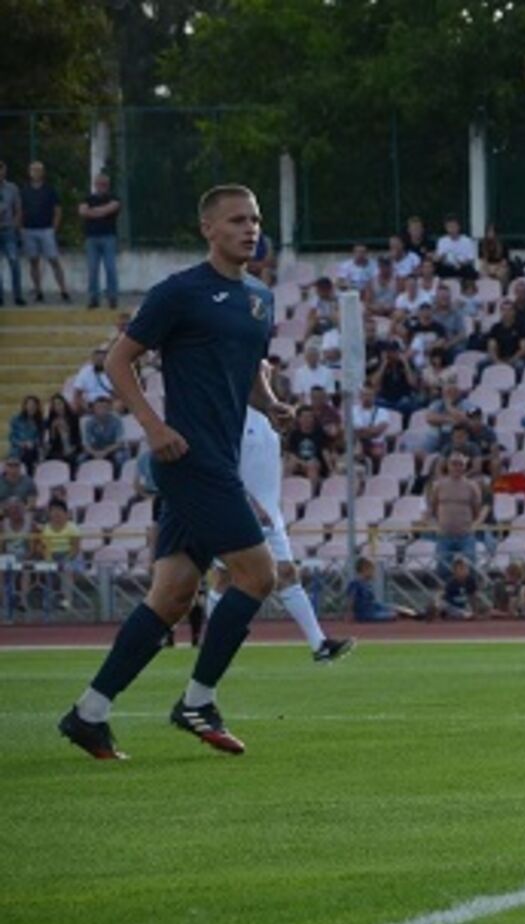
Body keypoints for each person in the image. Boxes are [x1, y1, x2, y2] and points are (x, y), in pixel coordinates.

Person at [58, 184, 288, 760]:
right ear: (208, 228)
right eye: (237, 220)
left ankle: (88, 713)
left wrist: (269, 403)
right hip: (189, 459)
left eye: (255, 219)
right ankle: (197, 702)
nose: (250, 229)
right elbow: (119, 360)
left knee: (172, 597)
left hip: (219, 457)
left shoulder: (260, 297)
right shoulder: (180, 292)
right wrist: (153, 426)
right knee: (258, 576)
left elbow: (249, 368)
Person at [202, 406, 355, 661]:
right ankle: (213, 643)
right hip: (238, 510)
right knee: (225, 578)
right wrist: (250, 503)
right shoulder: (229, 413)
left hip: (270, 514)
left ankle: (320, 645)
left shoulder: (268, 416)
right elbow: (222, 468)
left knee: (287, 573)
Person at [19, 162, 71, 303]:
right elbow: (19, 210)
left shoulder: (50, 190)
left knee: (54, 260)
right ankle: (38, 291)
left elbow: (57, 210)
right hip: (29, 230)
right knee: (33, 261)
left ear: (43, 172)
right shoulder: (24, 190)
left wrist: (54, 228)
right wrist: (20, 228)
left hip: (46, 229)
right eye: (33, 170)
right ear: (29, 172)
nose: (36, 172)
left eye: (38, 170)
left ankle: (64, 290)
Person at [80, 173, 122, 310]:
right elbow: (82, 212)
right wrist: (100, 211)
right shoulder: (88, 198)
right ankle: (93, 298)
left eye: (104, 184)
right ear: (95, 184)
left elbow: (110, 209)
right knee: (92, 269)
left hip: (109, 237)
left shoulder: (114, 198)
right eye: (99, 184)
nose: (102, 186)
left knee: (110, 268)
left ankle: (112, 297)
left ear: (108, 185)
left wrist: (93, 211)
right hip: (91, 238)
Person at [0, 160, 22, 306]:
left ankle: (17, 296)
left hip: (8, 230)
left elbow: (18, 209)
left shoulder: (12, 188)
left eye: (1, 169)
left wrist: (15, 225)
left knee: (14, 262)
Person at [9, 398, 43, 468]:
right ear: (25, 406)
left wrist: (32, 443)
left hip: (33, 450)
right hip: (18, 449)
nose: (31, 407)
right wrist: (21, 443)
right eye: (29, 405)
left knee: (30, 454)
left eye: (34, 405)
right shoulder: (17, 419)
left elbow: (40, 438)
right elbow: (12, 437)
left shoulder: (40, 421)